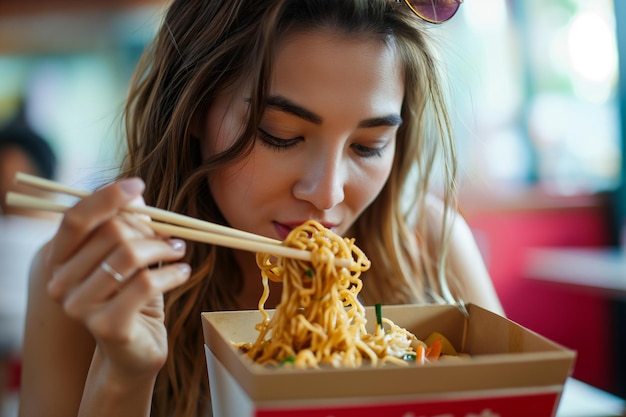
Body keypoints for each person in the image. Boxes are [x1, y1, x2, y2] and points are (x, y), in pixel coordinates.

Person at [18, 1, 503, 416]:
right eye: (280, 135)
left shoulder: (428, 243)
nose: (328, 194)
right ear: (192, 109)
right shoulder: (93, 274)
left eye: (368, 145)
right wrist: (124, 375)